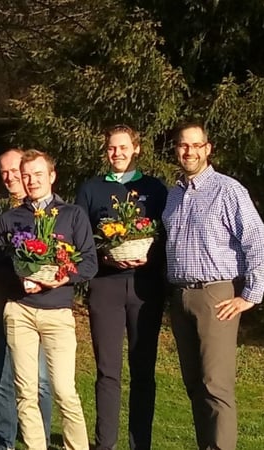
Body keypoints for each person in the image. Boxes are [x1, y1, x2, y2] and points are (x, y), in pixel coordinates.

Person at [163, 122, 264, 450]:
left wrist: (249, 296)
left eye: (196, 145)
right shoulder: (174, 195)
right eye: (184, 145)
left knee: (216, 384)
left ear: (208, 149)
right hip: (180, 296)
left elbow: (259, 242)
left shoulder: (228, 190)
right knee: (194, 384)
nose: (189, 152)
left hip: (216, 295)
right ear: (177, 150)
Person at [0, 150, 97, 450]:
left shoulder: (72, 215)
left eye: (38, 174)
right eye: (26, 176)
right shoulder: (11, 218)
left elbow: (89, 263)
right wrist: (18, 279)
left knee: (64, 390)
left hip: (57, 312)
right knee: (26, 391)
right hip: (20, 310)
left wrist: (64, 277)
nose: (31, 181)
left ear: (52, 176)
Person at [75, 125, 168, 450]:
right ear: (106, 151)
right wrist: (105, 256)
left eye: (123, 147)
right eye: (112, 148)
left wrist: (149, 255)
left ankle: (140, 443)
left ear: (136, 149)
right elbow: (80, 240)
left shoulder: (155, 188)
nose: (118, 153)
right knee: (107, 371)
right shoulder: (91, 189)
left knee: (143, 370)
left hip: (146, 288)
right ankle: (106, 443)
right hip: (105, 286)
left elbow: (168, 236)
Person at [0, 149, 54, 450]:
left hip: (36, 303)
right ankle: (4, 440)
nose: (10, 177)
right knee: (0, 375)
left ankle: (40, 440)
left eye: (15, 170)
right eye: (4, 171)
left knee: (39, 380)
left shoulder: (46, 212)